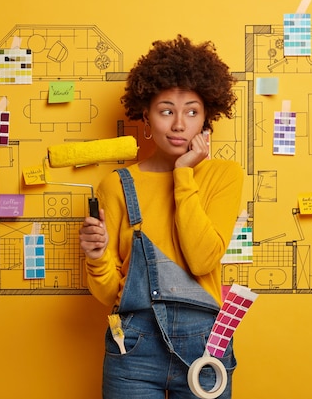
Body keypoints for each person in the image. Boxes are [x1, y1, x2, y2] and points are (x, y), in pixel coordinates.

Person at [79, 35, 243, 399]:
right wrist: (95, 257)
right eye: (167, 110)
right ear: (147, 118)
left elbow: (202, 260)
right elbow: (111, 293)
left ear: (207, 118)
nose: (180, 124)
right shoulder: (116, 185)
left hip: (204, 348)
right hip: (133, 351)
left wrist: (184, 174)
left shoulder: (223, 176)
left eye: (192, 111)